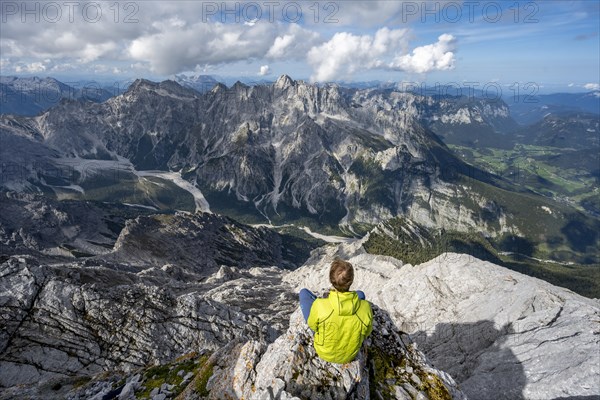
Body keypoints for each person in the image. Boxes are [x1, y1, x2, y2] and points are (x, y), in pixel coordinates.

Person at [299, 259, 373, 364]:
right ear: (351, 281)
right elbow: (367, 332)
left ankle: (331, 299)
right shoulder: (366, 307)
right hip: (349, 355)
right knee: (360, 294)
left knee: (304, 293)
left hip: (324, 352)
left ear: (331, 280)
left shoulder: (319, 305)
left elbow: (313, 326)